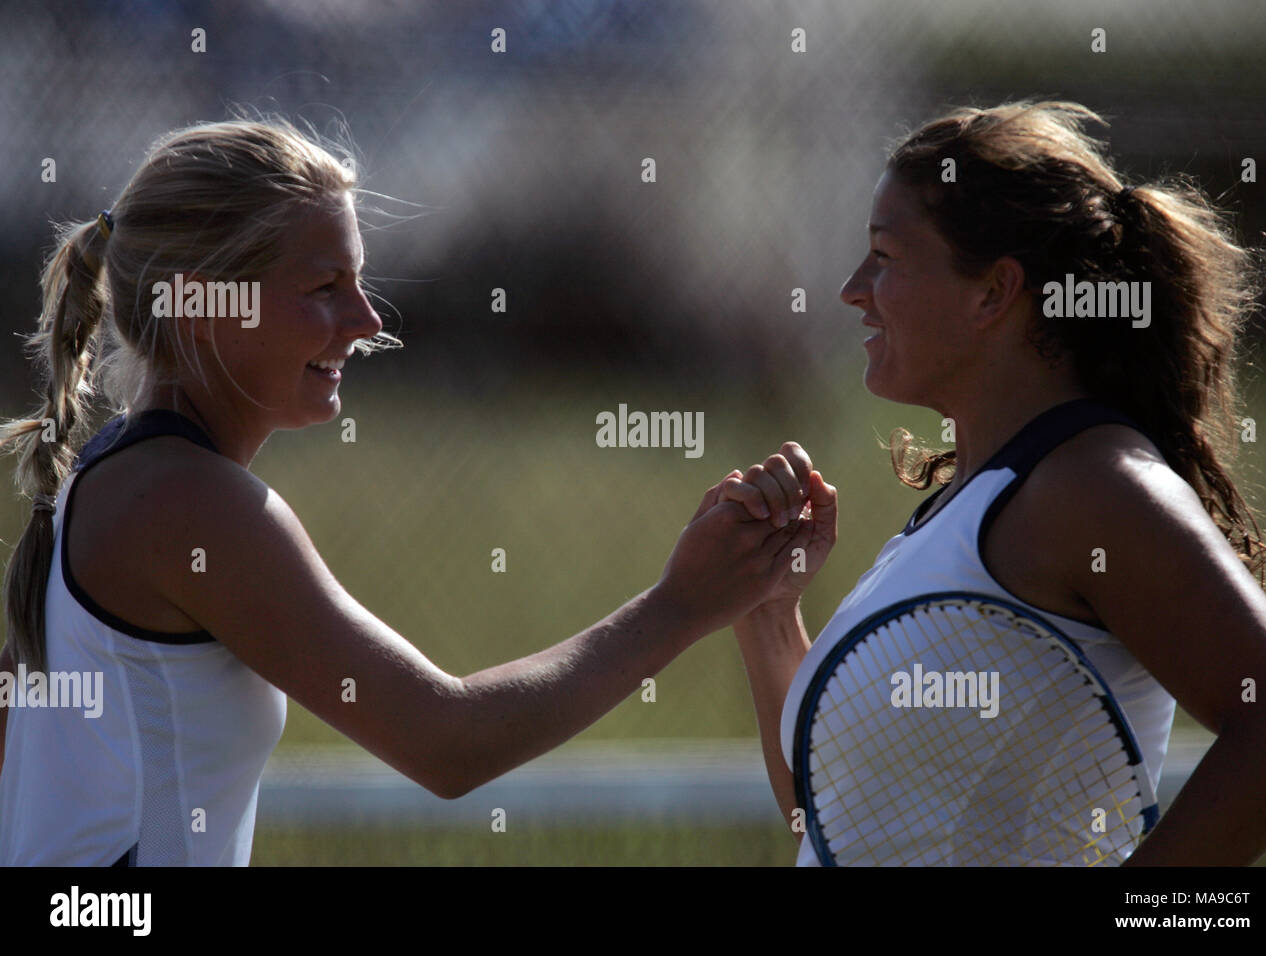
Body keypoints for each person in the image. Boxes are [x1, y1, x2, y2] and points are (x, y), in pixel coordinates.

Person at [0, 117, 813, 865]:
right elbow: (448, 742)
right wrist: (684, 603)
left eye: (358, 281)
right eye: (325, 287)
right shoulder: (187, 505)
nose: (366, 317)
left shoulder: (122, 474)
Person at [724, 100, 1266, 865]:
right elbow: (832, 820)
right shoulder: (968, 505)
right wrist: (768, 612)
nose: (853, 289)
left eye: (886, 257)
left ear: (993, 292)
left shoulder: (1093, 485)